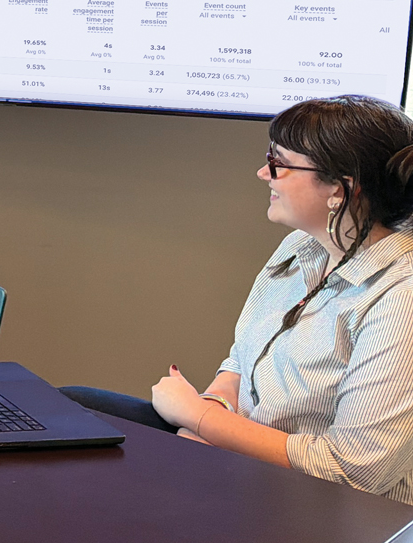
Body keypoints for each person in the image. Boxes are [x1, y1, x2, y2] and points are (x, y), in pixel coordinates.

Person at [68, 95, 413, 503]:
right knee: (71, 405)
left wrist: (199, 417)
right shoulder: (303, 246)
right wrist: (210, 410)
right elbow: (242, 359)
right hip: (239, 453)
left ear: (340, 188)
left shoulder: (400, 297)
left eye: (279, 163)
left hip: (317, 503)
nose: (264, 173)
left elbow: (351, 471)